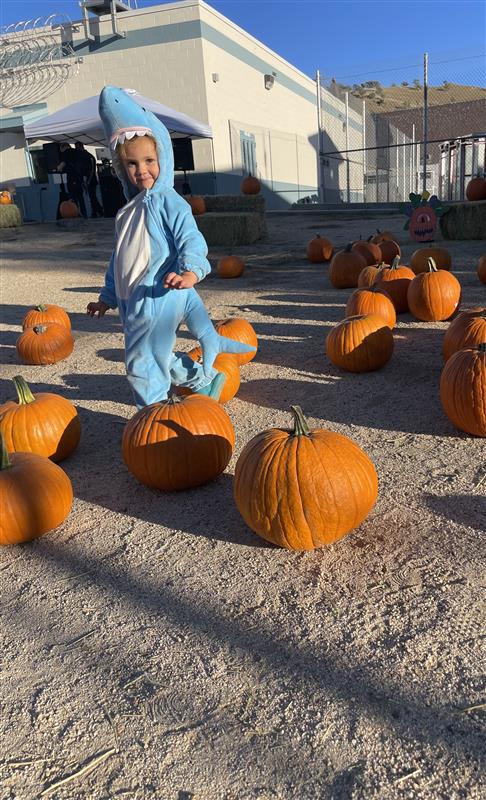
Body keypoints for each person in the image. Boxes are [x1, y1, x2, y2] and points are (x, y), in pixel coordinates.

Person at [87, 85, 255, 408]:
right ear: (121, 168)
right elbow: (120, 259)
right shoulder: (126, 212)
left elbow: (189, 235)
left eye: (149, 160)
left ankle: (151, 417)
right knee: (156, 354)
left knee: (140, 364)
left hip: (160, 293)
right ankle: (206, 382)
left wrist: (191, 270)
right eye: (132, 164)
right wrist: (106, 298)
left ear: (162, 156)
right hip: (134, 301)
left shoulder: (168, 200)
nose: (142, 170)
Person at [74, 141, 104, 218]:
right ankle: (98, 211)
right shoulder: (87, 156)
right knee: (92, 196)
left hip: (89, 179)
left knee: (92, 196)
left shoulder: (85, 156)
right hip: (89, 179)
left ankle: (97, 211)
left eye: (77, 147)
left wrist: (87, 180)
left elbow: (90, 170)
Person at [57, 142, 87, 217]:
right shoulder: (77, 152)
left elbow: (63, 164)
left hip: (72, 177)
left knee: (73, 196)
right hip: (79, 177)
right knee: (80, 197)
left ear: (63, 148)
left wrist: (58, 168)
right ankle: (84, 213)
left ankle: (74, 213)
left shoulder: (67, 153)